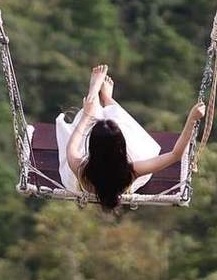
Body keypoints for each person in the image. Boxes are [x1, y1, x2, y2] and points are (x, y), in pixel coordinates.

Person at [56, 64, 206, 212]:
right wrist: (192, 119)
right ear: (122, 146)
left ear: (91, 146)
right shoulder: (131, 171)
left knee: (88, 118)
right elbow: (175, 155)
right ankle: (107, 100)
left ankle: (98, 99)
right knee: (118, 123)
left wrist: (89, 108)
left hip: (84, 182)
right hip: (120, 183)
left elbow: (72, 145)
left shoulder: (80, 167)